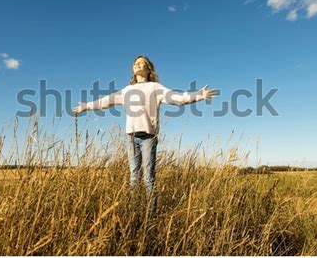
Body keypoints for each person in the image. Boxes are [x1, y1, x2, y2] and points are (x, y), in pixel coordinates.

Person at [72, 55, 218, 214]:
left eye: (143, 63)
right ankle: (133, 212)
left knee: (149, 178)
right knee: (134, 176)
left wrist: (199, 95)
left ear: (149, 70)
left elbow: (177, 98)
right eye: (136, 63)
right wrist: (86, 106)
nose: (139, 65)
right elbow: (106, 101)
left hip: (148, 137)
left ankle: (151, 215)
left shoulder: (155, 87)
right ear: (133, 70)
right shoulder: (127, 90)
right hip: (131, 137)